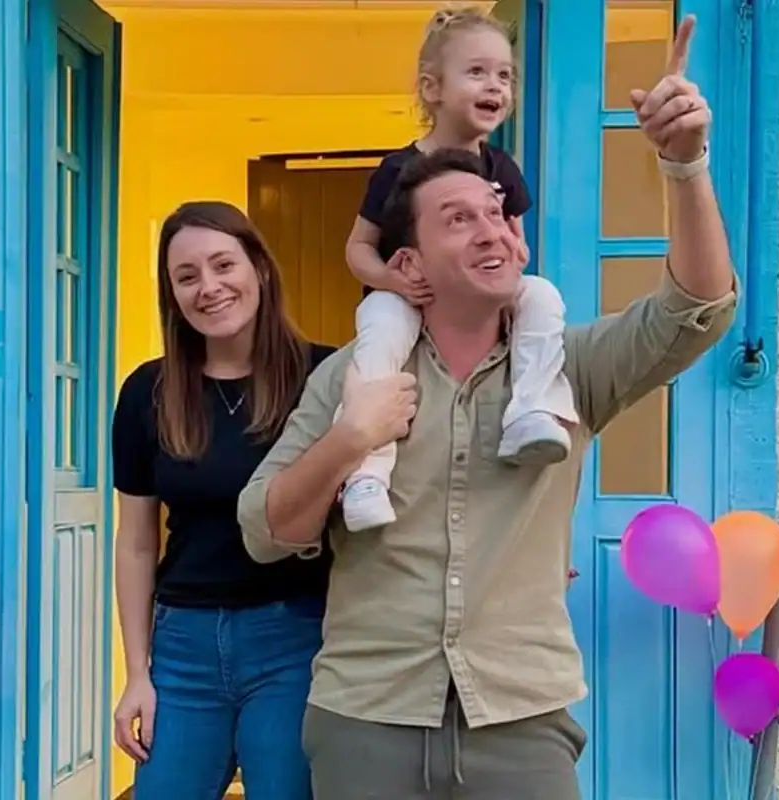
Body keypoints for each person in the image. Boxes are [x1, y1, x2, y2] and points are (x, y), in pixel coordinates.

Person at [237, 17, 735, 800]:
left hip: (522, 718)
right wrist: (350, 439)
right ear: (407, 261)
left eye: (498, 215)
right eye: (458, 218)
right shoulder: (351, 376)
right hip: (367, 718)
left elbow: (696, 311)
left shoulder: (568, 367)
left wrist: (684, 165)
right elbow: (265, 530)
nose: (491, 230)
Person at [112, 200, 334, 800]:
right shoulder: (148, 391)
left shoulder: (326, 376)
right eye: (186, 276)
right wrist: (137, 673)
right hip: (182, 645)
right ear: (172, 295)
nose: (208, 287)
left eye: (223, 265)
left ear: (258, 267)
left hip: (297, 638)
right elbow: (136, 542)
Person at [336, 6, 578, 532]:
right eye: (477, 72)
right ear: (432, 88)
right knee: (379, 334)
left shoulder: (501, 169)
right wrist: (392, 281)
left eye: (504, 75)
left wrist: (508, 263)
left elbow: (517, 246)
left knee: (541, 295)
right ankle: (366, 474)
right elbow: (358, 248)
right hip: (409, 298)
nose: (495, 85)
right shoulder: (397, 170)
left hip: (476, 303)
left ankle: (530, 409)